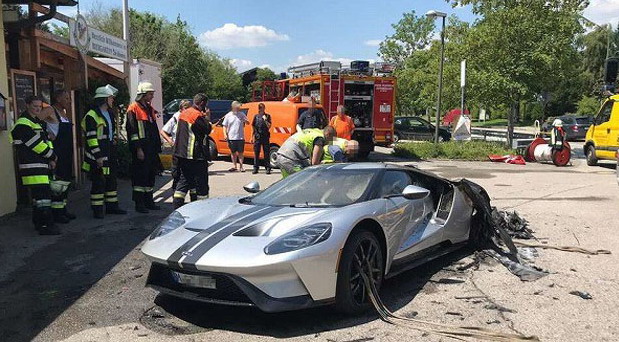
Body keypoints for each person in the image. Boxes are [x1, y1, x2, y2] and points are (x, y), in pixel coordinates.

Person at [10, 95, 60, 234]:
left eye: (40, 107)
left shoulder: (36, 123)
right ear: (27, 105)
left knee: (41, 198)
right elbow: (36, 145)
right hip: (32, 166)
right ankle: (46, 226)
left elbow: (47, 140)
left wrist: (51, 158)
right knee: (43, 198)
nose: (38, 109)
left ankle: (40, 223)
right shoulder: (23, 124)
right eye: (35, 106)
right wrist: (52, 156)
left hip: (40, 164)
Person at [81, 85, 127, 219]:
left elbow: (109, 133)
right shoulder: (92, 115)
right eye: (111, 98)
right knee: (98, 183)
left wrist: (114, 140)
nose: (113, 100)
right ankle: (97, 209)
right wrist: (98, 156)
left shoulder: (109, 113)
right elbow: (91, 138)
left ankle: (112, 206)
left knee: (111, 180)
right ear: (104, 99)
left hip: (109, 151)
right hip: (98, 154)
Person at [126, 82, 162, 213]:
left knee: (150, 176)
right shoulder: (133, 109)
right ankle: (139, 204)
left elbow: (152, 129)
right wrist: (138, 149)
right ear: (143, 94)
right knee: (140, 177)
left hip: (151, 149)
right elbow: (132, 131)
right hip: (141, 149)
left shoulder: (148, 108)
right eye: (150, 94)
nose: (152, 96)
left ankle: (149, 201)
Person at [41, 90, 76, 223]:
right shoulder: (50, 110)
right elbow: (35, 121)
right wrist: (47, 135)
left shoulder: (64, 113)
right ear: (58, 99)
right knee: (57, 183)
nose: (69, 101)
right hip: (57, 152)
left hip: (67, 152)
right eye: (66, 98)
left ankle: (63, 209)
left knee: (65, 182)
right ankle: (56, 213)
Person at [173, 93, 211, 208]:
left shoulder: (184, 113)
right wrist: (208, 118)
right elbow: (207, 129)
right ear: (202, 103)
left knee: (184, 182)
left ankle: (177, 208)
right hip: (196, 156)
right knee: (202, 184)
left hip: (183, 155)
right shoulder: (196, 115)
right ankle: (201, 208)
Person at [222, 101, 249, 172]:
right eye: (237, 107)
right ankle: (234, 166)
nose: (238, 109)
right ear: (233, 107)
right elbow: (224, 126)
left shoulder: (242, 114)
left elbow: (248, 122)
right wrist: (225, 134)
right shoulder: (228, 115)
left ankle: (241, 166)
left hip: (240, 137)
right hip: (231, 137)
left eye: (238, 107)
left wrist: (245, 120)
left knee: (240, 152)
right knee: (233, 152)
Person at [251, 103, 272, 174]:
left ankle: (268, 167)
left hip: (265, 136)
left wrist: (265, 120)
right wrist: (252, 136)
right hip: (257, 137)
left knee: (266, 152)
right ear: (259, 109)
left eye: (263, 108)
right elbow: (253, 126)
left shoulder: (267, 116)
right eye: (261, 108)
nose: (262, 109)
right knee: (256, 152)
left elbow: (269, 126)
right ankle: (256, 168)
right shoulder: (256, 116)